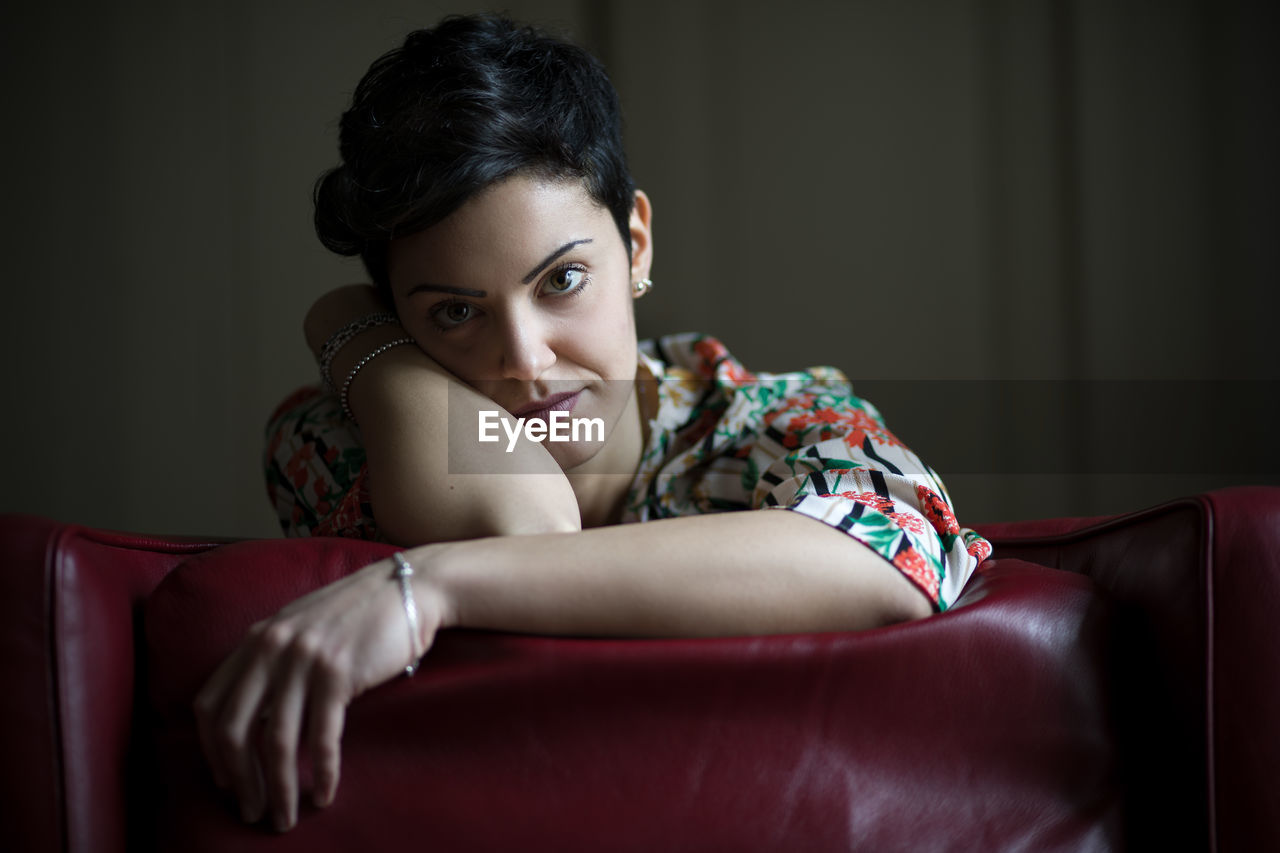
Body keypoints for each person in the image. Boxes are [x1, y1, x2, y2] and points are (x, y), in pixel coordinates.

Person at [195, 13, 993, 833]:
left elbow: (893, 550)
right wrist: (346, 330)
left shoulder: (770, 419)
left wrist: (428, 587)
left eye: (562, 279)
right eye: (455, 312)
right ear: (398, 319)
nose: (526, 359)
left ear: (636, 244)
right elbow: (523, 521)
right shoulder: (343, 442)